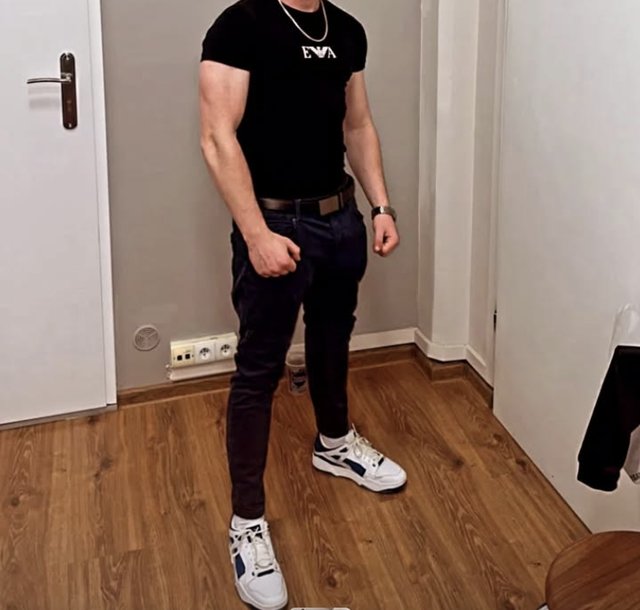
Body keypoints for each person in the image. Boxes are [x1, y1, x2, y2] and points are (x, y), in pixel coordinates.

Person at [199, 1, 407, 608]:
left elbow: (357, 126)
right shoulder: (240, 25)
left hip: (340, 217)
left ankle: (335, 444)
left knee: (332, 338)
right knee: (258, 371)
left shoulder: (347, 30)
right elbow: (217, 136)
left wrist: (381, 205)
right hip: (275, 222)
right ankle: (247, 522)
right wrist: (256, 234)